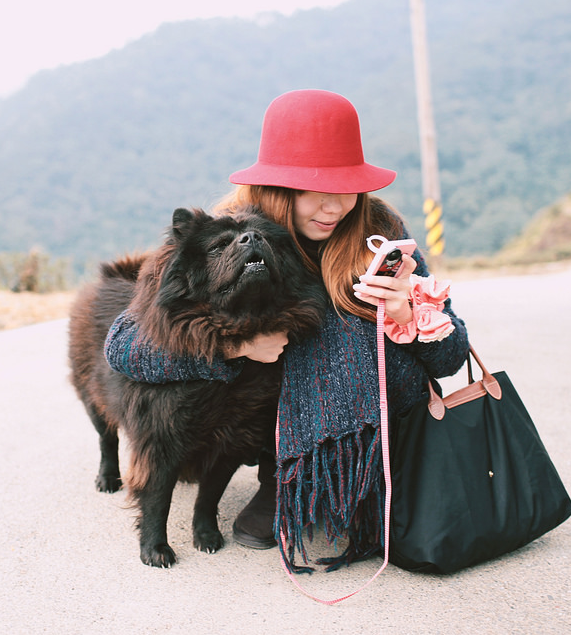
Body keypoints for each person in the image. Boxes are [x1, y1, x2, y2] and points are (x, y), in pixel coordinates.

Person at [104, 89, 469, 569]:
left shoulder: (381, 234)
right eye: (310, 190)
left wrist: (412, 319)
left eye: (346, 187)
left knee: (340, 327)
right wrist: (237, 348)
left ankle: (367, 480)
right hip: (264, 428)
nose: (333, 207)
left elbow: (451, 358)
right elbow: (125, 349)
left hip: (389, 433)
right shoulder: (227, 235)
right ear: (276, 188)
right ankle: (290, 483)